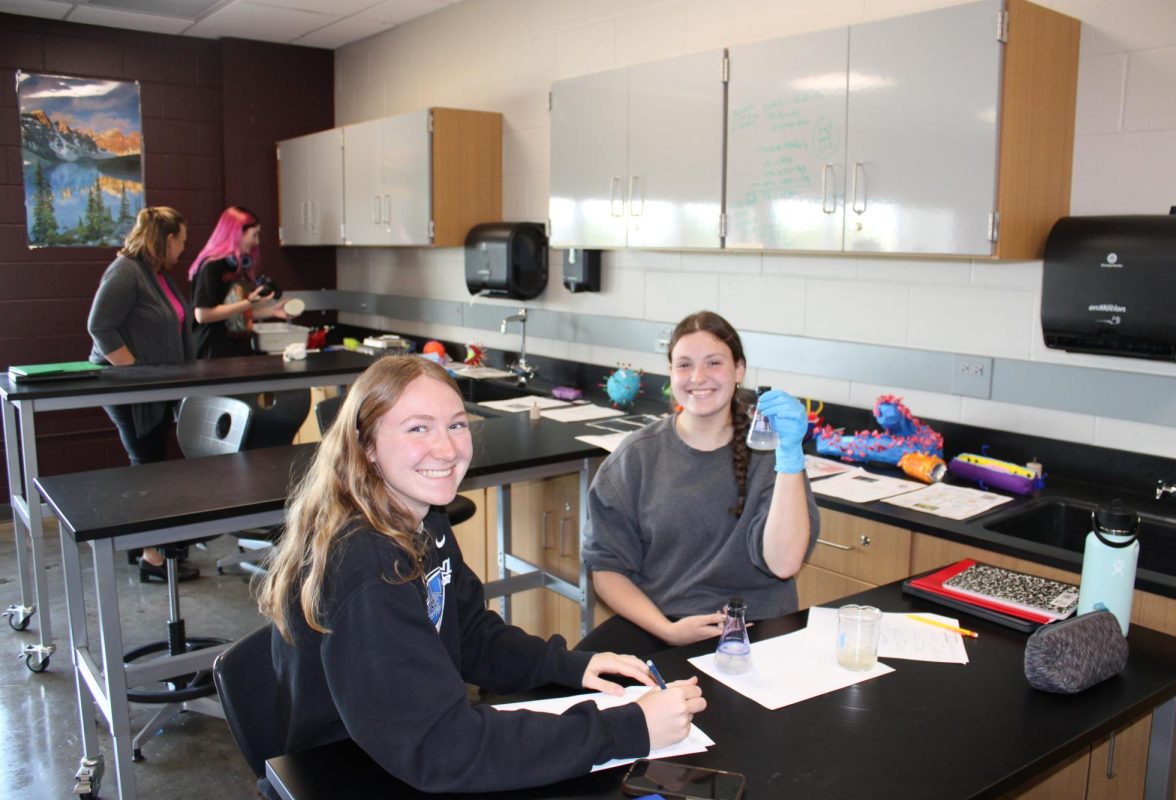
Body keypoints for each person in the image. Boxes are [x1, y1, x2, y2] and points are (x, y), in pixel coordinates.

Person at [258, 356, 705, 794]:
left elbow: (468, 632)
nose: (448, 449)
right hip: (350, 770)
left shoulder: (423, 514)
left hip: (404, 743)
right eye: (418, 428)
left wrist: (571, 664)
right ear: (368, 446)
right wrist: (630, 727)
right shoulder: (365, 563)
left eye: (456, 424)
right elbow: (444, 748)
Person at [579, 310, 820, 658]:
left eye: (713, 363)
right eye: (684, 365)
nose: (698, 377)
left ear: (739, 370)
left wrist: (791, 456)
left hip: (756, 630)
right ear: (670, 372)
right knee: (570, 689)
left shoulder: (772, 454)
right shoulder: (635, 458)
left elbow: (783, 564)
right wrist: (668, 631)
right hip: (660, 624)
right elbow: (607, 569)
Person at [86, 206, 199, 582]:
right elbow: (100, 326)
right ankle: (151, 557)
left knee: (151, 466)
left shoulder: (154, 274)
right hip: (130, 392)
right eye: (181, 241)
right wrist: (135, 374)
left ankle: (148, 549)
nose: (183, 249)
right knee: (146, 469)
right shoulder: (125, 271)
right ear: (167, 239)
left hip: (155, 389)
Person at [187, 206, 286, 359]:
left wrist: (271, 311)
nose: (257, 241)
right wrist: (248, 303)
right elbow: (202, 314)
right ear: (237, 233)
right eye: (254, 235)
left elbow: (235, 313)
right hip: (214, 353)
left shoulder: (238, 267)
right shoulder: (212, 266)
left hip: (238, 351)